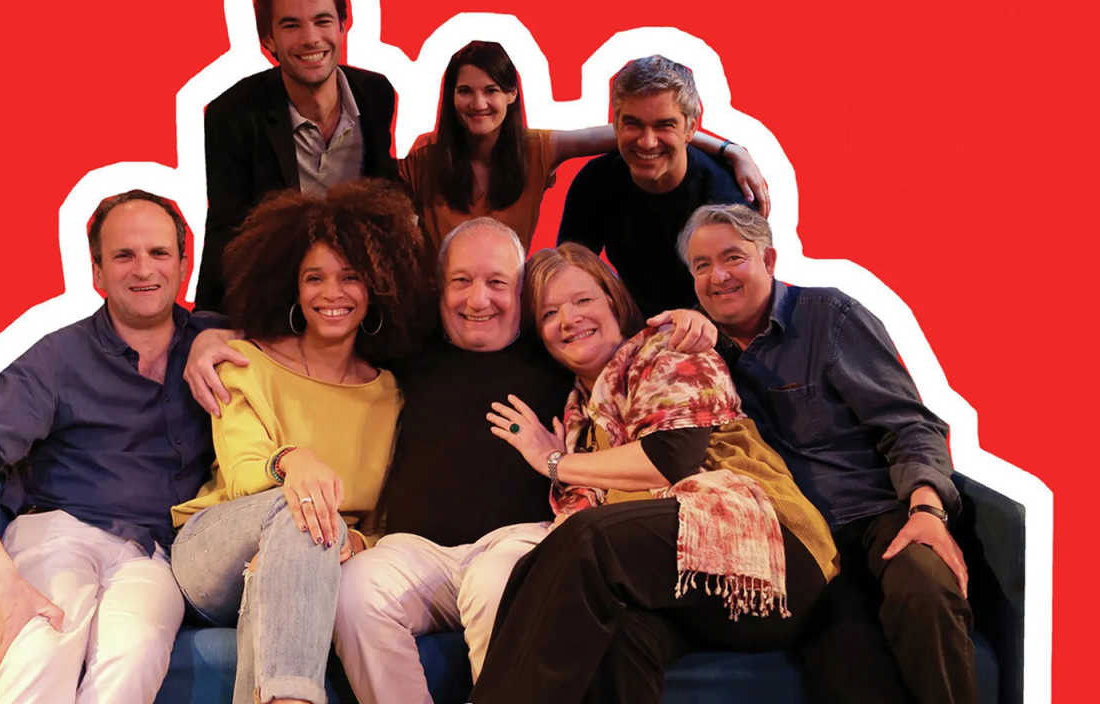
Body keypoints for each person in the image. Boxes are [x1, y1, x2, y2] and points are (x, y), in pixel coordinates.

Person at [183, 217, 718, 704]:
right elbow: (328, 328)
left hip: (517, 540)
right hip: (412, 549)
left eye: (497, 283)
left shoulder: (554, 351)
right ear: (439, 289)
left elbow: (617, 349)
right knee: (354, 594)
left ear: (522, 294)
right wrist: (212, 335)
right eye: (462, 281)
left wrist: (694, 322)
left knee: (496, 581)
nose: (478, 299)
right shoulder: (406, 353)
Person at [469, 242, 838, 704]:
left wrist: (554, 462)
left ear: (614, 302)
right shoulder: (580, 415)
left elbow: (670, 459)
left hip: (774, 555)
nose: (569, 319)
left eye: (583, 300)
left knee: (587, 542)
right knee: (614, 634)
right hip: (694, 591)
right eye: (549, 313)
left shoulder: (669, 349)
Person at [0, 190, 216, 704]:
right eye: (123, 255)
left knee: (134, 652)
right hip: (59, 532)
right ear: (97, 272)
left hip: (154, 555)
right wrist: (0, 581)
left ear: (184, 265)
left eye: (159, 253)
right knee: (42, 642)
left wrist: (218, 335)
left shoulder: (216, 342)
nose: (143, 268)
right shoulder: (59, 358)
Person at [677, 203, 975, 704]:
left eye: (733, 258)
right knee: (845, 660)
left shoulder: (829, 317)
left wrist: (927, 510)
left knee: (924, 586)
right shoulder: (694, 353)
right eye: (701, 265)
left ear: (769, 259)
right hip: (800, 547)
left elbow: (908, 424)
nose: (718, 276)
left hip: (879, 514)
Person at [169, 180, 431, 704]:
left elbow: (385, 520)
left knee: (302, 540)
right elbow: (243, 475)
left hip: (316, 558)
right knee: (300, 512)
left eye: (350, 277)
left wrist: (358, 544)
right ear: (292, 286)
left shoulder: (391, 396)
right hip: (213, 551)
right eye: (315, 278)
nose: (332, 294)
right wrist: (295, 460)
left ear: (377, 287)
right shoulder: (246, 363)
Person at [401, 41, 768, 259]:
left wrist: (731, 149)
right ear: (451, 96)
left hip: (508, 308)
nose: (478, 103)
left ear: (511, 94)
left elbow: (637, 130)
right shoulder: (425, 156)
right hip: (438, 307)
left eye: (491, 90)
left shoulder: (535, 150)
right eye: (465, 91)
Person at [197, 0, 398, 312]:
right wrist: (208, 320)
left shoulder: (376, 94)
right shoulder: (233, 114)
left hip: (362, 296)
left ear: (342, 25)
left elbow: (386, 202)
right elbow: (227, 230)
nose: (310, 38)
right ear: (268, 39)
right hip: (277, 300)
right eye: (291, 25)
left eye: (322, 21)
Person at [558, 55, 759, 317]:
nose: (647, 142)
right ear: (616, 124)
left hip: (717, 322)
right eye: (633, 124)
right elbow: (568, 273)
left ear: (690, 129)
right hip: (634, 322)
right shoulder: (595, 181)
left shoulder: (727, 196)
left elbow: (746, 300)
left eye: (664, 125)